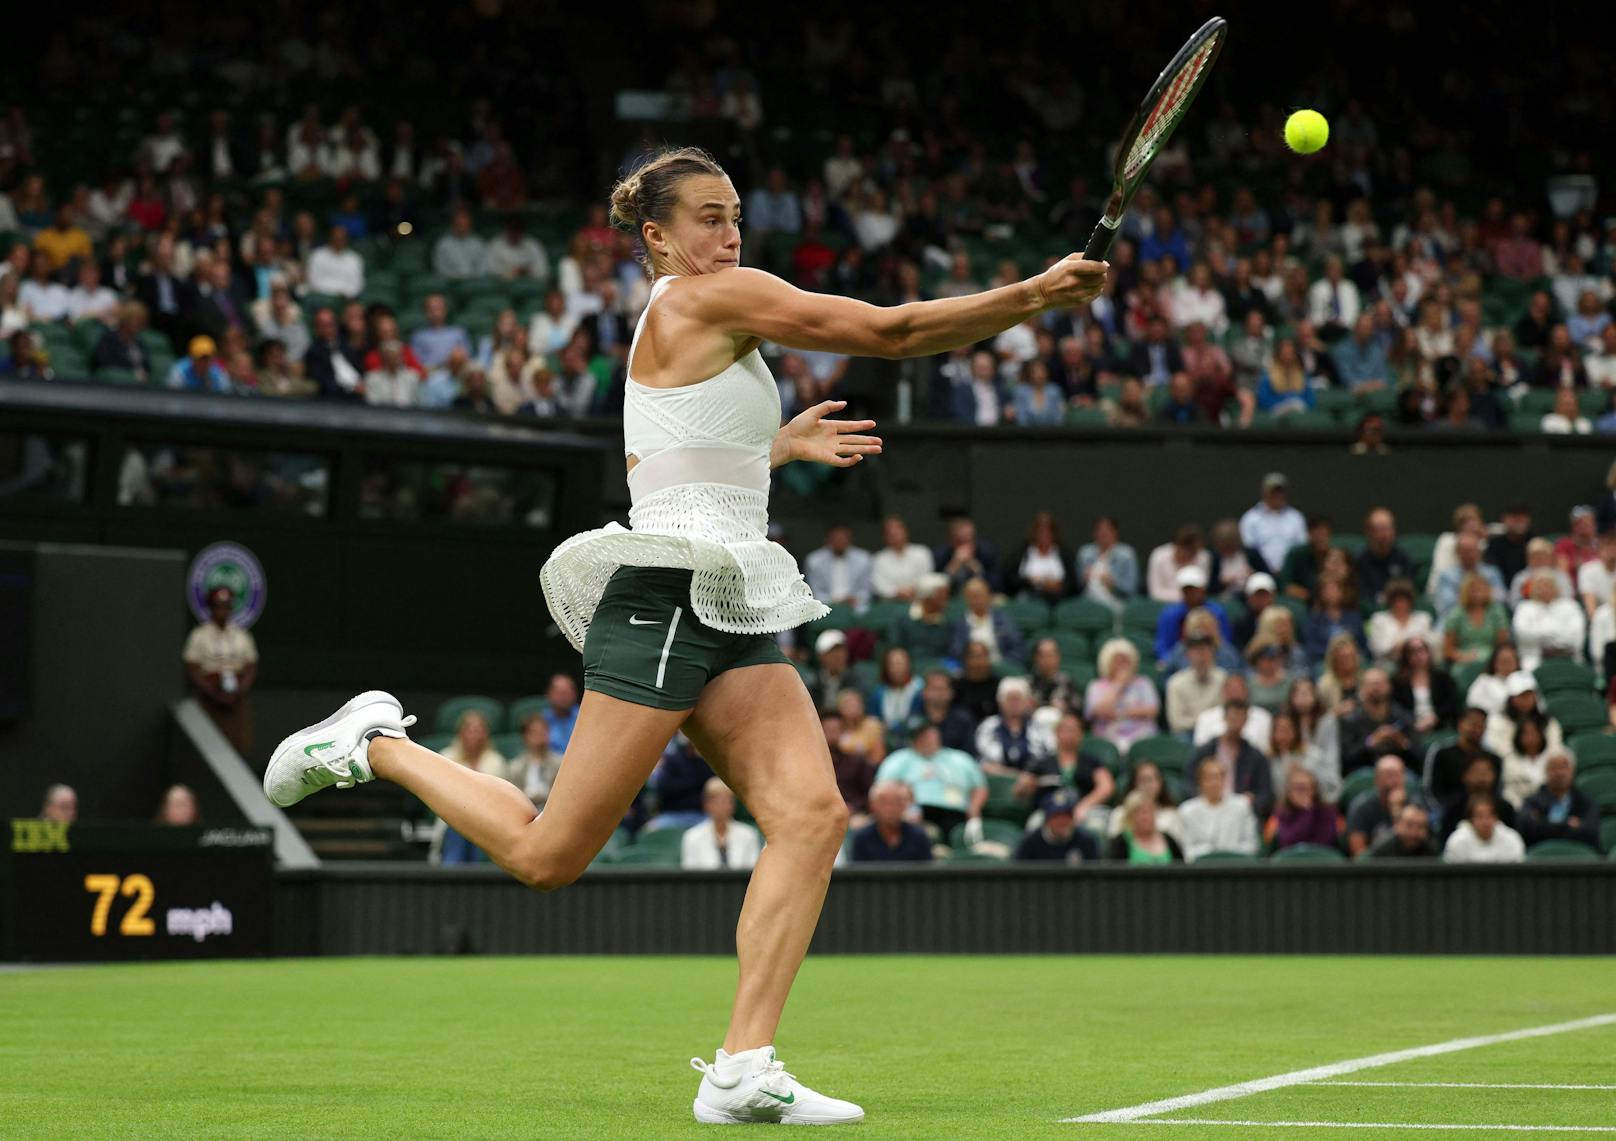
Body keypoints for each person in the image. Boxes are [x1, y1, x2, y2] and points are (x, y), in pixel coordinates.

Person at [263, 146, 1108, 1127]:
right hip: (667, 596)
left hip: (726, 595)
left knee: (811, 816)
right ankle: (374, 746)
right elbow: (893, 329)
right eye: (707, 217)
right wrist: (1037, 294)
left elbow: (666, 452)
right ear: (655, 235)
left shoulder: (699, 322)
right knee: (548, 855)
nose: (729, 232)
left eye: (735, 213)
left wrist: (776, 444)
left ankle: (743, 1066)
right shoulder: (698, 299)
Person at [874, 723, 987, 840]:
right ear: (912, 740)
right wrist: (905, 803)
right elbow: (882, 789)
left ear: (937, 735)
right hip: (916, 810)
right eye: (919, 736)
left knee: (957, 831)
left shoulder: (960, 758)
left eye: (928, 734)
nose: (925, 739)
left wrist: (974, 808)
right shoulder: (898, 759)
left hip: (954, 811)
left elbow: (980, 787)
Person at [182, 586, 258, 755]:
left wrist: (240, 690)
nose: (223, 611)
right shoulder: (200, 635)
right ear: (211, 608)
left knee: (239, 744)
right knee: (210, 747)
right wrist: (213, 693)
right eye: (218, 606)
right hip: (211, 696)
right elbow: (193, 668)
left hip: (236, 697)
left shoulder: (241, 635)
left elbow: (251, 666)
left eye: (227, 606)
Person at [1189, 698, 1276, 819]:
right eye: (1233, 717)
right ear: (1224, 718)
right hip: (1207, 808)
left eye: (1240, 718)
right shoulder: (1204, 752)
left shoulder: (1256, 756)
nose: (1236, 723)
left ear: (1246, 720)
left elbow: (1265, 792)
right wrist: (1203, 799)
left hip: (1240, 812)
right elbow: (1189, 783)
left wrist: (1252, 802)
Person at [1084, 638, 1160, 755]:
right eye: (1117, 661)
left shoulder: (1144, 683)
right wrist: (1119, 685)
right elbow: (1098, 711)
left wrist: (1119, 713)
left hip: (1141, 736)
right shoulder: (1096, 686)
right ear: (1107, 663)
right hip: (1108, 738)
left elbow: (1152, 710)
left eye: (1126, 661)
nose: (1122, 666)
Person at [1178, 756, 1260, 861]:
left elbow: (1251, 844)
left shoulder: (1242, 805)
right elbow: (1186, 849)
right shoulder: (1187, 811)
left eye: (1218, 777)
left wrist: (1230, 855)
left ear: (1224, 780)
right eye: (1208, 778)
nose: (1214, 783)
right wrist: (1211, 854)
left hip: (1236, 866)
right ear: (1200, 782)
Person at [1338, 668, 1418, 776]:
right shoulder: (1350, 720)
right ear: (1361, 689)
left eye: (1380, 683)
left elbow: (1419, 754)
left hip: (1401, 771)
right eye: (1371, 684)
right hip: (1365, 773)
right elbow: (1346, 759)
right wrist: (1371, 742)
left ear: (1389, 687)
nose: (1376, 688)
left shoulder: (1403, 716)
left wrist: (1401, 741)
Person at [1516, 750, 1601, 850]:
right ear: (1545, 772)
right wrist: (1568, 825)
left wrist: (1544, 824)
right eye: (1553, 768)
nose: (1559, 773)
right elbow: (1527, 830)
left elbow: (1590, 832)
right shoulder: (1532, 802)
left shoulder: (1585, 802)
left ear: (1572, 771)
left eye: (1564, 767)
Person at [682, 778, 763, 870]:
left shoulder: (749, 835)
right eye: (715, 801)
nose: (721, 806)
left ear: (733, 805)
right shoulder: (692, 837)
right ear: (706, 805)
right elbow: (690, 876)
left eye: (725, 801)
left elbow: (753, 872)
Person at [1428, 707, 1503, 804]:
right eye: (1472, 724)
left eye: (1481, 725)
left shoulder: (1493, 758)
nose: (1476, 729)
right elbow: (1432, 789)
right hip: (1447, 809)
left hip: (1486, 812)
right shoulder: (1442, 753)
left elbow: (1497, 791)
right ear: (1460, 724)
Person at [1512, 572, 1586, 669]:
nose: (1545, 589)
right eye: (1540, 586)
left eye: (1548, 585)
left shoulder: (1570, 606)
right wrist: (1555, 633)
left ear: (1556, 587)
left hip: (1568, 657)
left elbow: (1577, 638)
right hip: (1534, 659)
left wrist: (1544, 636)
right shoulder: (1524, 608)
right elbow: (1522, 634)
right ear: (1533, 588)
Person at [1237, 472, 1306, 574]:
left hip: (1291, 573)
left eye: (1280, 491)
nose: (1277, 495)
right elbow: (1249, 549)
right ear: (1265, 492)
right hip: (1260, 572)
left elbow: (1301, 546)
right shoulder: (1250, 518)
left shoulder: (1296, 517)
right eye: (1273, 491)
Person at [948, 576, 1027, 665]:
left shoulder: (1004, 620)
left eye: (980, 595)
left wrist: (1004, 665)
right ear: (966, 599)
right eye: (973, 596)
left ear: (989, 596)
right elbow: (956, 652)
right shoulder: (959, 624)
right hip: (970, 669)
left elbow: (1018, 648)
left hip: (1000, 665)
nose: (978, 600)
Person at [848, 780, 932, 863]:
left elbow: (929, 872)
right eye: (883, 802)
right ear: (872, 805)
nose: (889, 808)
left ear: (904, 805)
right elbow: (856, 873)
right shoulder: (862, 838)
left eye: (896, 802)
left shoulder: (918, 836)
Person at [1346, 755, 1415, 856]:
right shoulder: (1361, 807)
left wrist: (1396, 811)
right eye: (1389, 775)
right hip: (1375, 868)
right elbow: (1359, 855)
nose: (1395, 781)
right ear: (1377, 780)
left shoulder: (1415, 804)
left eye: (1398, 775)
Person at [1390, 636, 1459, 735]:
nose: (1418, 655)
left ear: (1428, 652)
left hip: (1439, 724)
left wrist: (1434, 718)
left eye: (1421, 650)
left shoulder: (1443, 678)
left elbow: (1451, 703)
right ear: (1406, 656)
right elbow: (1396, 707)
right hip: (1410, 727)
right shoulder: (1398, 681)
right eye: (1412, 652)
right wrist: (1412, 723)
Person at [1265, 764, 1341, 853]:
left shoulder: (1327, 812)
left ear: (1314, 790)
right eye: (1297, 788)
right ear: (1289, 791)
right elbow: (1287, 841)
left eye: (1305, 788)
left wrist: (1309, 810)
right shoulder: (1281, 813)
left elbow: (1325, 843)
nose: (1301, 793)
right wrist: (1306, 812)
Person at [1441, 573, 1511, 668]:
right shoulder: (1456, 614)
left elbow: (1502, 644)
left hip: (1492, 660)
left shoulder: (1497, 612)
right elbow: (1447, 650)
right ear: (1465, 592)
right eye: (1473, 590)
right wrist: (1462, 656)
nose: (1478, 593)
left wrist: (1494, 659)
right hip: (1464, 660)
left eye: (1481, 589)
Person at [1013, 788, 1101, 863]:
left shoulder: (1086, 841)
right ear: (1047, 819)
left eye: (1066, 816)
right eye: (1056, 816)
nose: (1062, 821)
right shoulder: (1030, 843)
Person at [903, 669, 978, 756]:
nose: (939, 693)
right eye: (934, 689)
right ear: (924, 692)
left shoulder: (963, 719)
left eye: (943, 689)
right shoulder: (913, 720)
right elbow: (905, 753)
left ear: (951, 693)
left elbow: (969, 755)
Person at [1004, 511, 1074, 602]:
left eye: (1048, 532)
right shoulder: (1021, 553)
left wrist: (1059, 585)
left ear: (1054, 534)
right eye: (1041, 531)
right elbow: (1009, 579)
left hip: (1058, 601)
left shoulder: (1064, 554)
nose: (1044, 535)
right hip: (1028, 599)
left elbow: (1073, 584)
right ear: (1034, 532)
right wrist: (1029, 581)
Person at [803, 523, 873, 611]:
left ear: (850, 539)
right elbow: (813, 592)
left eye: (843, 538)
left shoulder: (864, 559)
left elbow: (866, 591)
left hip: (855, 607)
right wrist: (836, 601)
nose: (840, 541)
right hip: (825, 607)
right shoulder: (814, 561)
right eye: (836, 538)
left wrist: (854, 599)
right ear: (828, 540)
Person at [1165, 634, 1227, 734]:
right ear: (1187, 655)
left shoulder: (1224, 678)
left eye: (1205, 650)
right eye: (1196, 651)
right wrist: (1204, 723)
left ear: (1212, 653)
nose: (1201, 655)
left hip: (1218, 731)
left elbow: (1228, 713)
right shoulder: (1176, 682)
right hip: (1189, 732)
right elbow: (1176, 723)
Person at [1354, 507, 1414, 609]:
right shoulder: (1359, 561)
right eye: (1378, 529)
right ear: (1368, 532)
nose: (1383, 535)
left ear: (1394, 531)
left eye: (1387, 529)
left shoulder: (1403, 558)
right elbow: (1361, 596)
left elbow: (1408, 590)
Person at [1105, 789, 1185, 864]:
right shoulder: (1120, 842)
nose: (1145, 817)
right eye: (1139, 813)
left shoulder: (1169, 839)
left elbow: (1183, 870)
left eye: (1148, 811)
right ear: (1129, 816)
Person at [1076, 516, 1139, 609]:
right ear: (1094, 533)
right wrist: (1084, 580)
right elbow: (1076, 587)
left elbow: (1131, 590)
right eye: (1100, 530)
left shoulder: (1127, 554)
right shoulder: (1085, 553)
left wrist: (1114, 585)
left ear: (1115, 533)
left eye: (1107, 530)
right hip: (1088, 603)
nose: (1103, 534)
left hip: (1117, 603)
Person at [1442, 794, 1525, 864]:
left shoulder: (1511, 839)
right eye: (1479, 816)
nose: (1485, 821)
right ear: (1470, 820)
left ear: (1496, 817)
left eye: (1490, 815)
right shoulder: (1457, 841)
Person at [1367, 579, 1434, 665]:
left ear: (1410, 601)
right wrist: (1401, 646)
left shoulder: (1423, 618)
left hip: (1419, 664)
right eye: (1396, 600)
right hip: (1388, 665)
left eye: (1403, 600)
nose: (1400, 604)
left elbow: (1430, 644)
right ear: (1390, 601)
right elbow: (1377, 649)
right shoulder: (1379, 619)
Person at [870, 515, 934, 602]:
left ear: (906, 531)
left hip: (919, 599)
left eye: (898, 529)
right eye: (890, 532)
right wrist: (897, 592)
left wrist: (914, 590)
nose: (895, 533)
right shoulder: (878, 559)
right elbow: (879, 585)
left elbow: (927, 577)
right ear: (885, 537)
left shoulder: (922, 552)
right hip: (891, 603)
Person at [512, 714, 562, 811]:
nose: (540, 736)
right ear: (525, 736)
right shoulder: (516, 767)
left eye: (544, 731)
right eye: (535, 732)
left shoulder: (560, 763)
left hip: (552, 811)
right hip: (524, 812)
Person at [1466, 644, 1523, 717]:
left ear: (1517, 663)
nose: (1506, 666)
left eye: (1510, 661)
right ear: (1494, 662)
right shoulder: (1484, 680)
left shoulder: (1524, 680)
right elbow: (1472, 703)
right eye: (1503, 662)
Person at [1366, 802, 1439, 859]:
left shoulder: (1431, 849)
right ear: (1397, 825)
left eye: (1420, 827)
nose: (1413, 833)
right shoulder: (1382, 846)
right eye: (1409, 825)